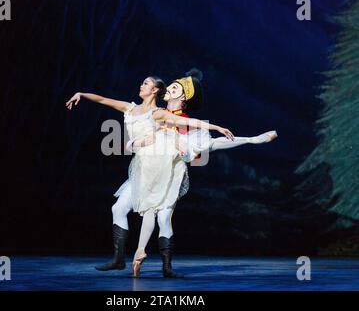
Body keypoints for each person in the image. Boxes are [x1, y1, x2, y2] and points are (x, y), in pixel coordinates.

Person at [65, 76, 234, 278]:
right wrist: (81, 94)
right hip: (141, 167)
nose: (141, 85)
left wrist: (215, 128)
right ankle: (120, 259)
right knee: (118, 208)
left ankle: (161, 264)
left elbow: (184, 121)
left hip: (158, 169)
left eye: (146, 83)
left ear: (154, 90)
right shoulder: (130, 107)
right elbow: (103, 100)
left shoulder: (158, 113)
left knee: (161, 217)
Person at [127, 69, 278, 278]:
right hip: (154, 169)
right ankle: (140, 254)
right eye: (170, 85)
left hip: (172, 171)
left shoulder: (186, 124)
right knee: (151, 214)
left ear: (182, 97)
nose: (169, 87)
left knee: (163, 218)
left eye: (174, 87)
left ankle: (165, 266)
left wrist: (245, 137)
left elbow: (208, 142)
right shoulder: (157, 112)